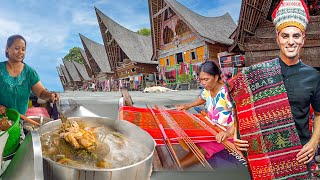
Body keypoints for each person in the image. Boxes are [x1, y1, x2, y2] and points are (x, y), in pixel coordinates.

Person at [233, 0, 320, 175]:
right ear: (277, 38)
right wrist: (236, 133)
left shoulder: (313, 77)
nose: (291, 41)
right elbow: (241, 104)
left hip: (301, 153)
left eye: (296, 36)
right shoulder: (256, 74)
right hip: (266, 155)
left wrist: (314, 142)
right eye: (285, 36)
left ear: (303, 39)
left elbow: (318, 114)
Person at [175, 61, 234, 168]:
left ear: (216, 77)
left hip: (226, 133)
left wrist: (228, 132)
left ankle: (175, 167)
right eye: (201, 80)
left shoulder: (227, 92)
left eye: (206, 79)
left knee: (205, 146)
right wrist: (188, 106)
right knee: (182, 130)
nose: (203, 83)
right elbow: (202, 98)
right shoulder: (207, 90)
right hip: (211, 127)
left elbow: (239, 115)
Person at [0, 35, 59, 116]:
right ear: (7, 49)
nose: (21, 52)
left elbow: (41, 92)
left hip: (20, 121)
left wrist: (50, 95)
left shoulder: (30, 73)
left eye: (23, 49)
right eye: (17, 48)